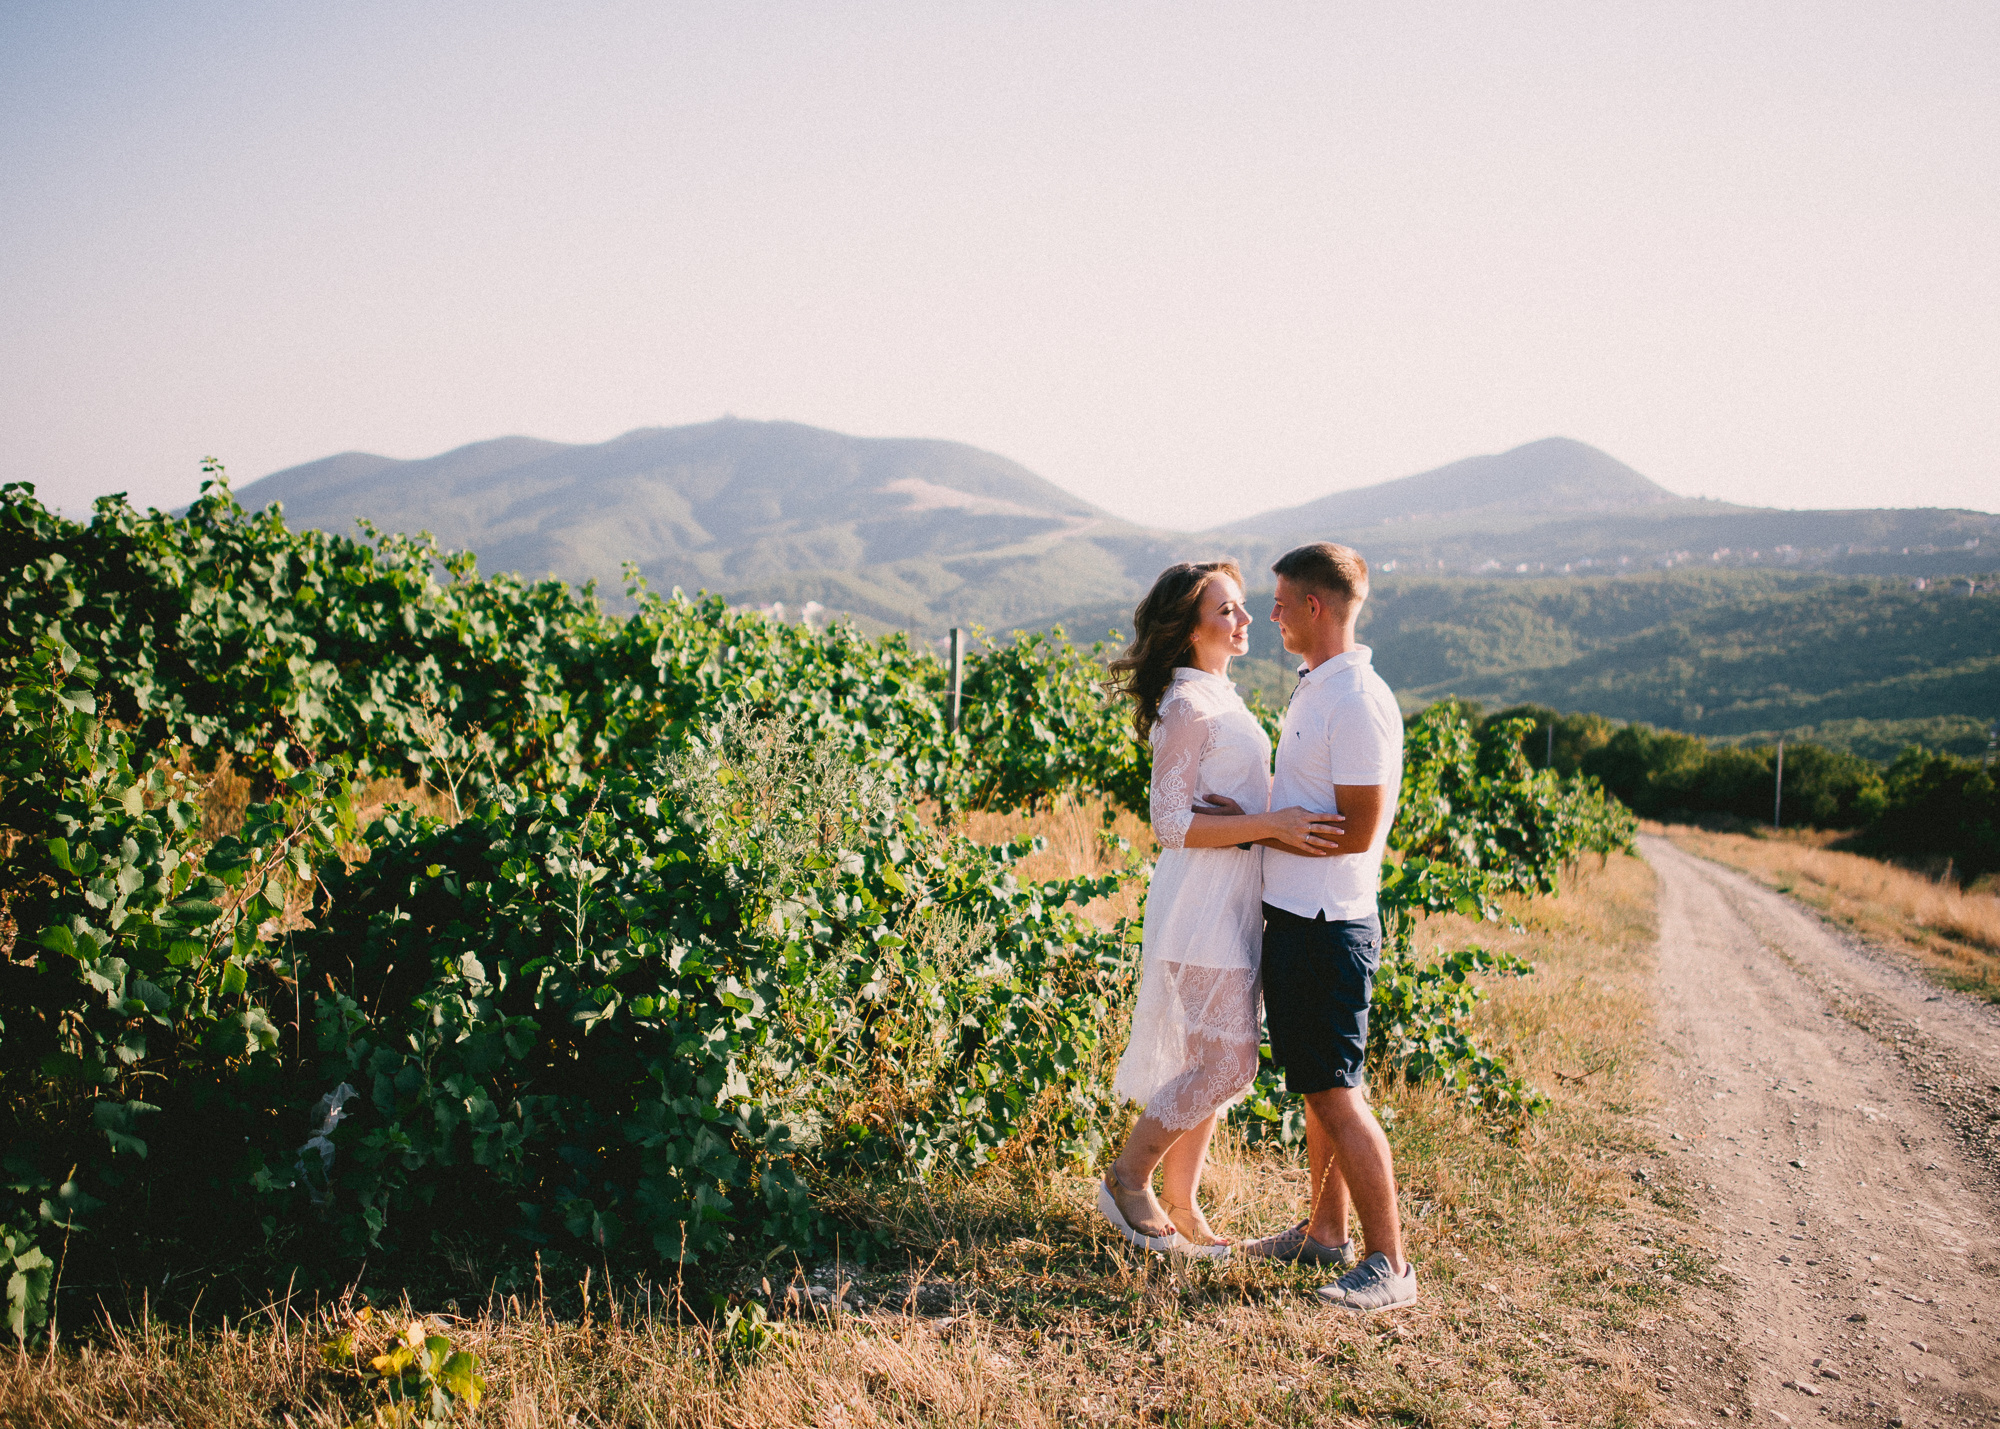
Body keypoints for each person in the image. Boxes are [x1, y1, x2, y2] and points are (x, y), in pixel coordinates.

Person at [1095, 559, 1344, 1255]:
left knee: (1212, 1058)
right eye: (1226, 610)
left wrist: (1256, 817)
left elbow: (1216, 801)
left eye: (1240, 606)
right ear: (1188, 628)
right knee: (1230, 1064)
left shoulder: (1219, 697)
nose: (1242, 621)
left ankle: (1185, 1205)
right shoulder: (1187, 705)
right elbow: (1168, 822)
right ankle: (1128, 1175)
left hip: (1229, 899)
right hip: (1200, 905)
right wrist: (1269, 823)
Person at [1234, 540, 1417, 1312]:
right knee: (1318, 1087)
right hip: (1298, 914)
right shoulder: (1318, 687)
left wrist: (1261, 828)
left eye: (1280, 600)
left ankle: (1391, 1266)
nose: (1268, 613)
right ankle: (1325, 1232)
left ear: (1315, 606)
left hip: (1328, 923)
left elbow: (1361, 826)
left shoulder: (1356, 700)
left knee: (1338, 1094)